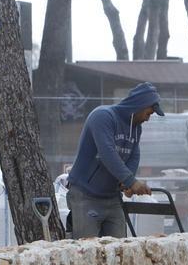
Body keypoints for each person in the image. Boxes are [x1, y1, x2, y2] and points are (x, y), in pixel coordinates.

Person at [66, 81, 165, 239]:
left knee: (119, 251)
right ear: (139, 105)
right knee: (87, 249)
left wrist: (125, 183)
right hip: (86, 195)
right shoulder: (103, 116)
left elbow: (134, 153)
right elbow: (107, 153)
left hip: (111, 198)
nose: (148, 119)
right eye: (148, 113)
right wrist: (132, 181)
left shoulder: (135, 127)